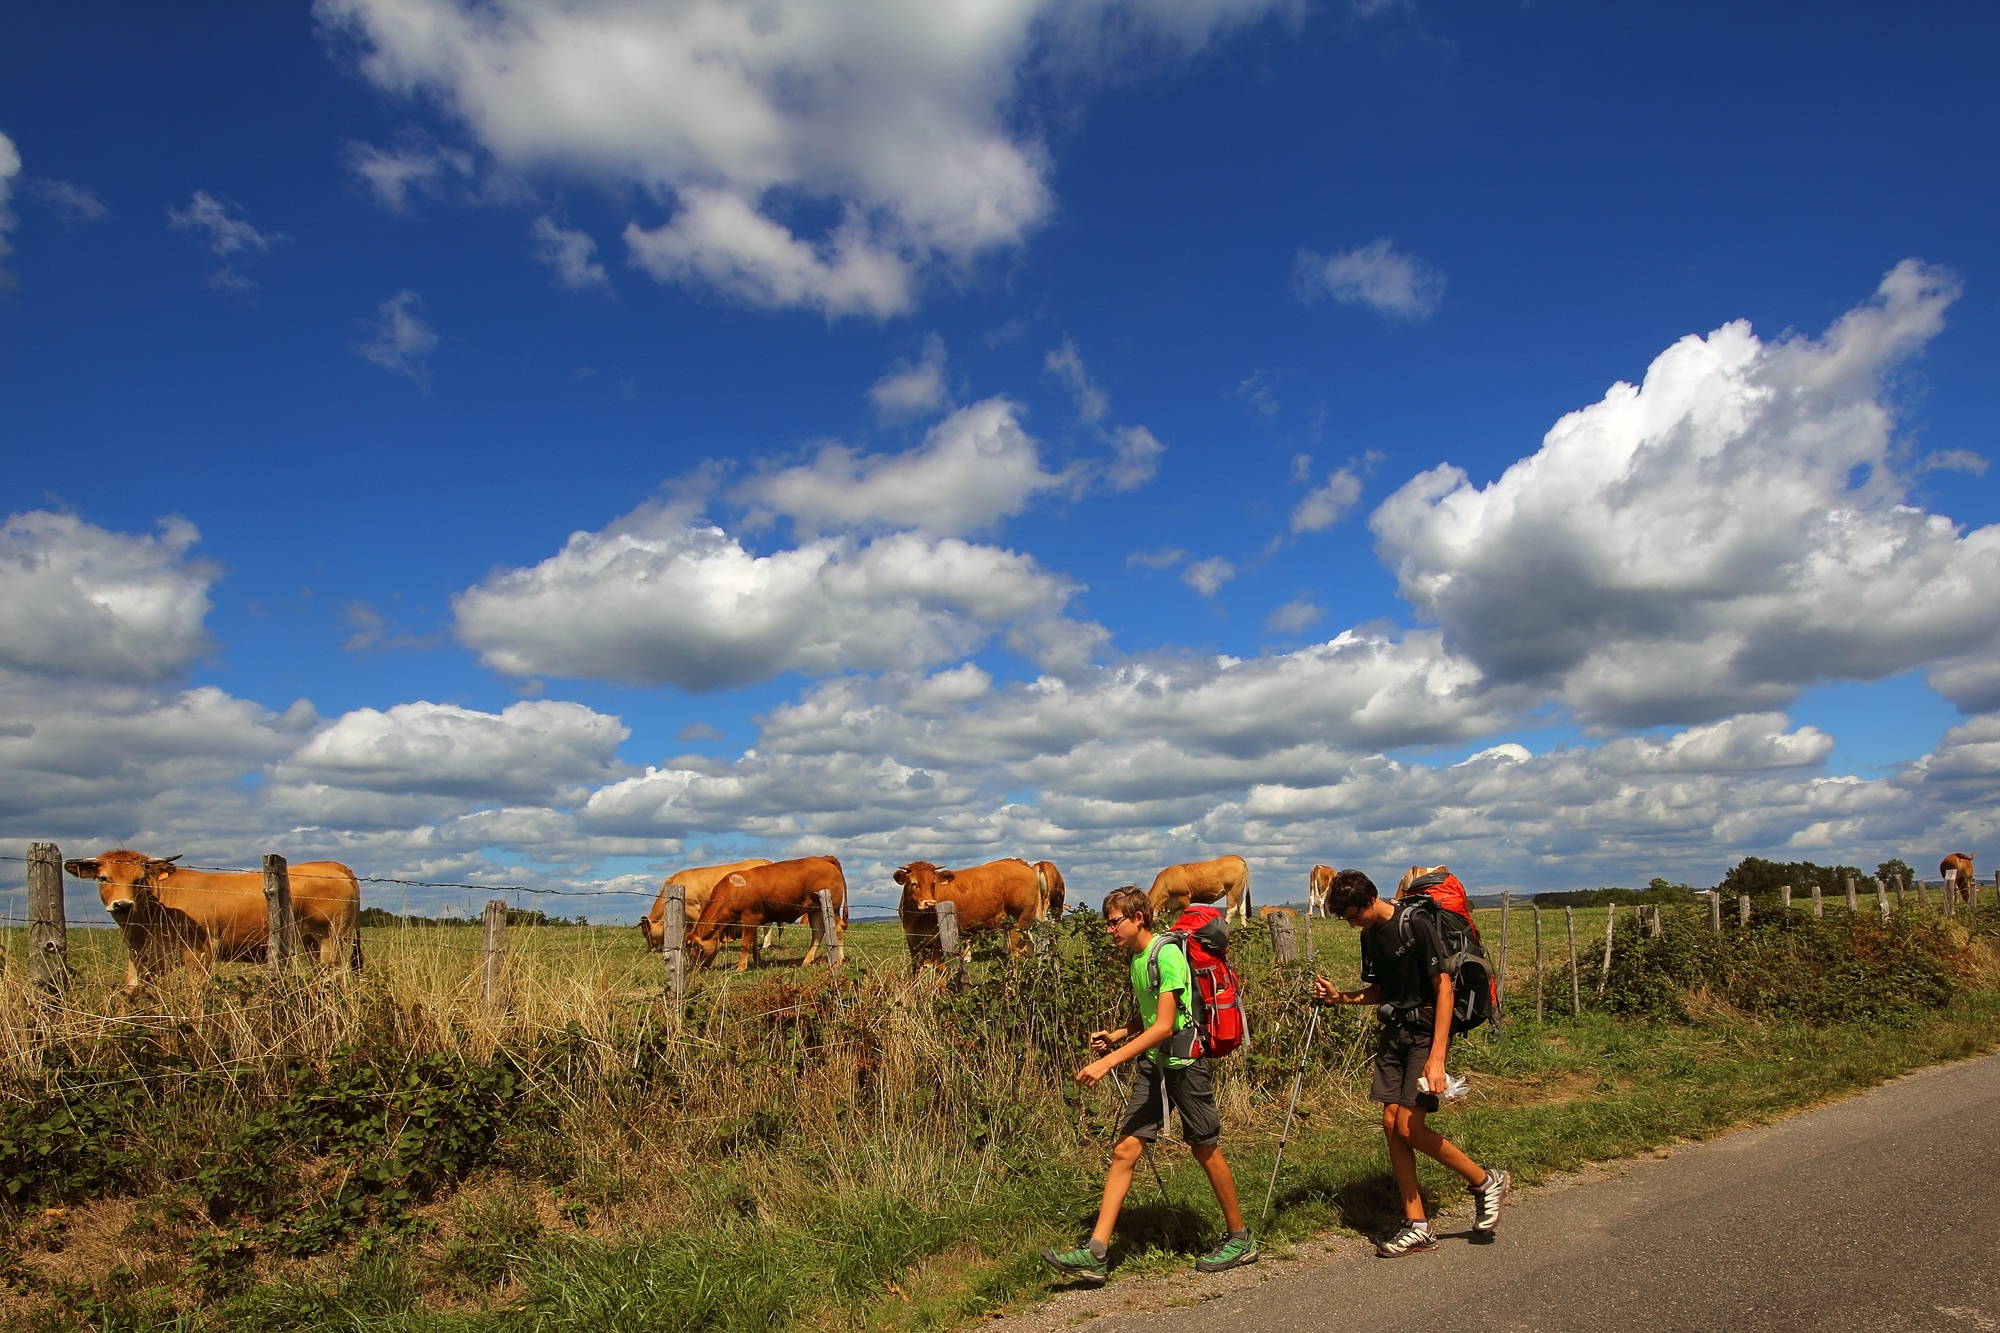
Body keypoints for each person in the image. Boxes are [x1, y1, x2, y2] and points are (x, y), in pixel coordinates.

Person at [1041, 886, 1257, 1286]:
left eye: (1113, 922)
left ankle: (1240, 1238)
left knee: (1205, 1149)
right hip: (1155, 1066)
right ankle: (1096, 1253)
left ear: (1138, 917)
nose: (1109, 930)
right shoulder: (1137, 956)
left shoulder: (1167, 954)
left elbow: (1165, 1025)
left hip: (1186, 1066)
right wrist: (1119, 1032)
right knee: (1125, 1150)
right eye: (1107, 922)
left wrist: (1108, 1061)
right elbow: (1152, 1015)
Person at [1310, 868, 1510, 1256]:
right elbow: (1381, 991)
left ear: (1369, 900)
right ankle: (1417, 1223)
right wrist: (1341, 998)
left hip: (1426, 1033)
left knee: (1410, 1127)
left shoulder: (1415, 922)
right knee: (1390, 1123)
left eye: (1353, 915)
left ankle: (1486, 1181)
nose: (1352, 924)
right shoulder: (1370, 934)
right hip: (1396, 1031)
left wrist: (1437, 1059)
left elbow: (1444, 988)